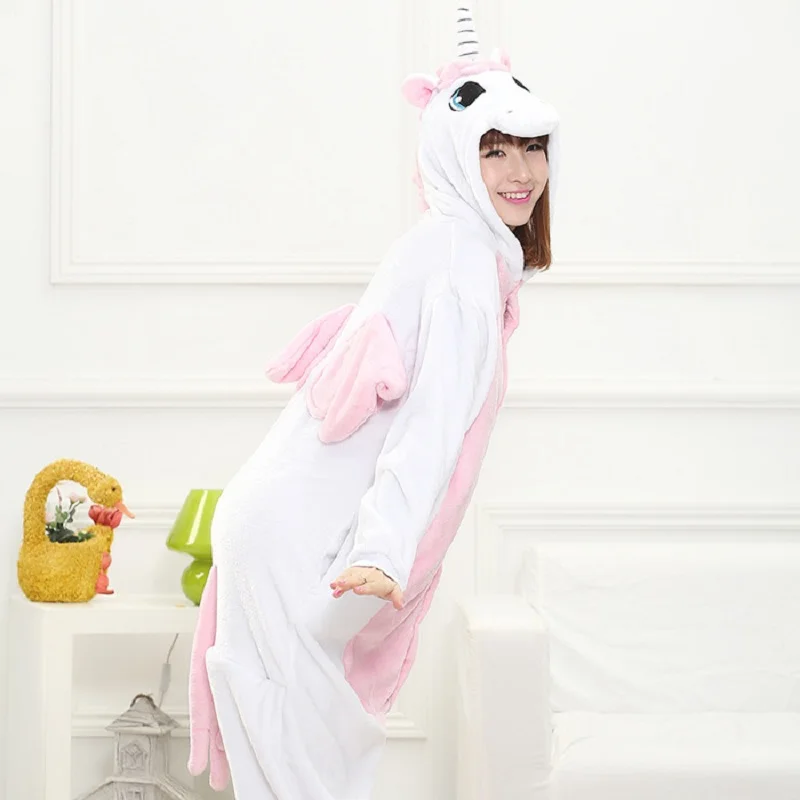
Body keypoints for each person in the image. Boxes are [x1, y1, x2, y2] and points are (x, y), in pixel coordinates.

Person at [187, 4, 560, 798]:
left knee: (300, 765)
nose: (520, 170)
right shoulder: (459, 264)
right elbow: (427, 431)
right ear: (452, 154)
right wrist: (381, 553)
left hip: (290, 532)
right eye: (493, 149)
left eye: (533, 146)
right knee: (306, 771)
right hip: (303, 544)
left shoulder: (453, 248)